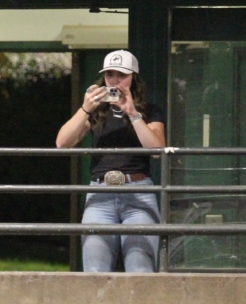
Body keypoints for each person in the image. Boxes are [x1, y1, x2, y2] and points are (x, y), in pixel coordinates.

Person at [56, 50, 166, 272]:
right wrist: (85, 108)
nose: (115, 81)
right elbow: (62, 143)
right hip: (100, 193)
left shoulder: (149, 111)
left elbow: (157, 150)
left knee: (140, 270)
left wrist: (133, 114)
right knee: (95, 271)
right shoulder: (96, 111)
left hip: (137, 193)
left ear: (133, 78)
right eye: (110, 75)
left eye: (122, 75)